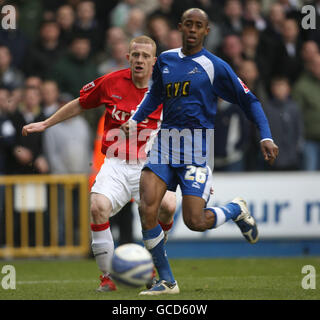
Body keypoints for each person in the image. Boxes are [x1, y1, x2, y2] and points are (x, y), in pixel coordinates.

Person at [121, 8, 279, 295]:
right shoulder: (166, 60)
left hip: (196, 148)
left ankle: (235, 209)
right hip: (166, 143)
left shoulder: (215, 66)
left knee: (195, 221)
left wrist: (265, 135)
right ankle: (167, 281)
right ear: (180, 27)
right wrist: (135, 119)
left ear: (206, 31)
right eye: (188, 25)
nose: (193, 30)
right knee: (147, 206)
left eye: (199, 26)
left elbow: (250, 101)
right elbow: (155, 93)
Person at [21, 35, 176, 292]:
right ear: (128, 58)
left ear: (154, 61)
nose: (139, 60)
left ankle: (151, 263)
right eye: (135, 55)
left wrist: (196, 168)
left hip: (150, 165)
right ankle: (108, 278)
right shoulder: (111, 82)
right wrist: (47, 123)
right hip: (116, 163)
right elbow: (81, 103)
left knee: (169, 206)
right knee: (97, 206)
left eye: (145, 56)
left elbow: (186, 124)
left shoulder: (166, 88)